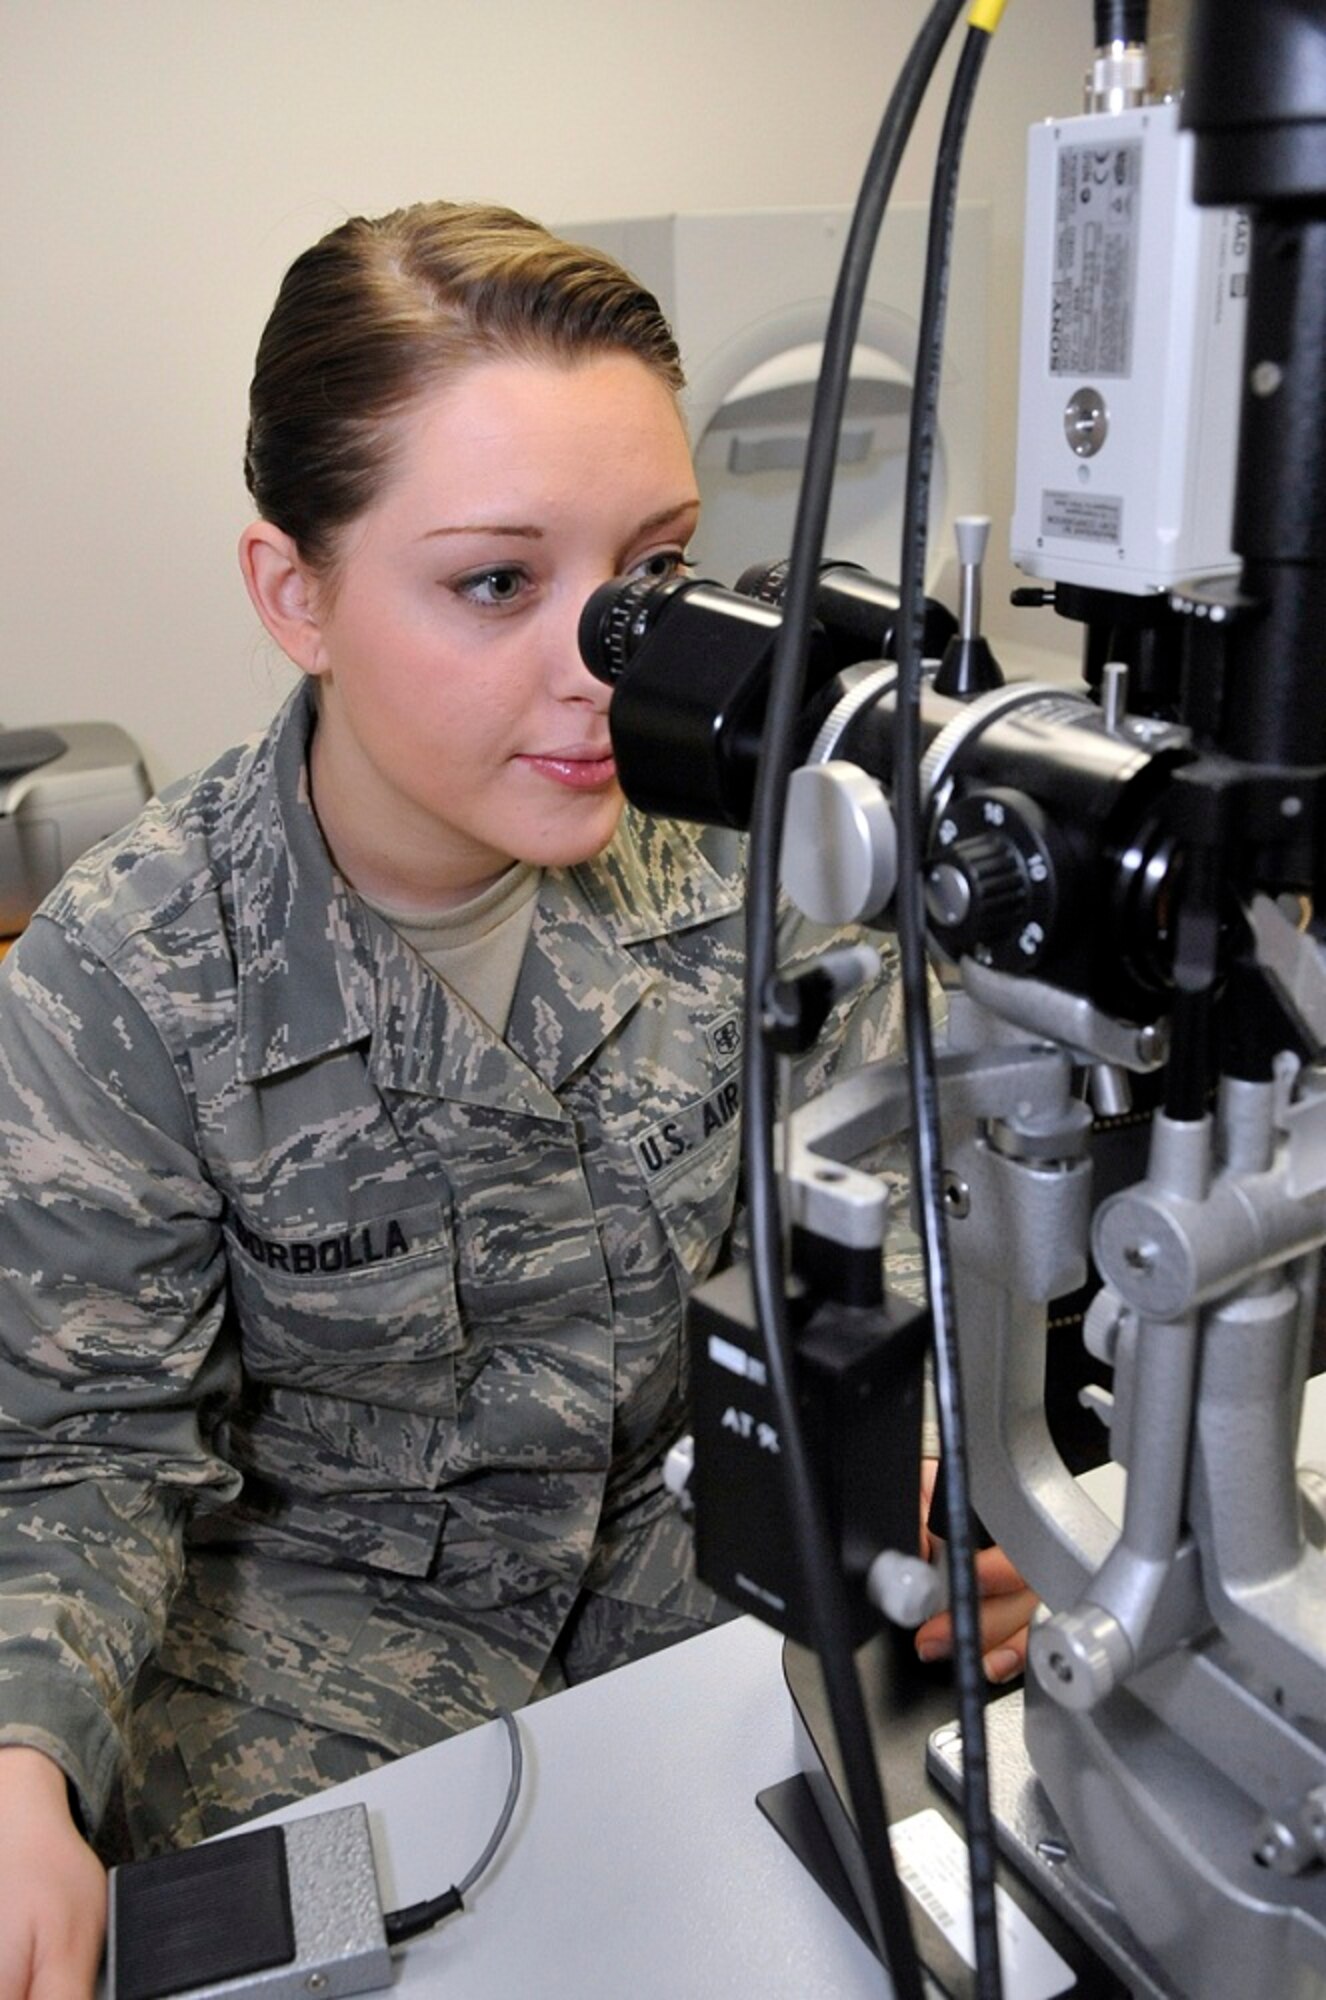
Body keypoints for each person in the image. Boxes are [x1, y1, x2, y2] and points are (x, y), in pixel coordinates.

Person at [0, 199, 1033, 2000]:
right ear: (294, 594)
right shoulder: (125, 972)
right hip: (306, 1667)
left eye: (652, 575)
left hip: (691, 1575)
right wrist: (20, 1769)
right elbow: (82, 1449)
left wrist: (920, 1497)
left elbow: (877, 1238)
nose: (604, 670)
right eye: (495, 583)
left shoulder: (761, 861)